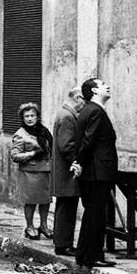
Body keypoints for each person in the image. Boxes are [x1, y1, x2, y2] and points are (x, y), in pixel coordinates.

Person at [69, 78, 118, 269]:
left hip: (94, 171)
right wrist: (79, 162)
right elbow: (88, 142)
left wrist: (79, 163)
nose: (107, 85)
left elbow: (84, 141)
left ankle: (84, 254)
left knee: (92, 215)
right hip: (98, 172)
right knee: (97, 216)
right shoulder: (96, 111)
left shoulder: (89, 110)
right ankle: (93, 256)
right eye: (102, 84)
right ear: (94, 91)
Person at [9, 102, 53, 241]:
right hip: (30, 173)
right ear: (22, 118)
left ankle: (44, 226)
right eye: (26, 116)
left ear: (37, 116)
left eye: (32, 115)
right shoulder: (20, 134)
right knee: (31, 201)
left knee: (46, 200)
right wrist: (31, 154)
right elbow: (14, 156)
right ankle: (29, 227)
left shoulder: (44, 131)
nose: (29, 118)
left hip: (46, 170)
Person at [50, 87, 85, 256]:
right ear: (78, 98)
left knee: (65, 208)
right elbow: (67, 146)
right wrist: (76, 161)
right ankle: (64, 244)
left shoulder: (65, 114)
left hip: (64, 172)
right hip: (67, 173)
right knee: (67, 209)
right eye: (83, 101)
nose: (84, 105)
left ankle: (62, 242)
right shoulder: (68, 117)